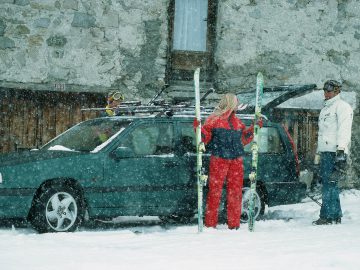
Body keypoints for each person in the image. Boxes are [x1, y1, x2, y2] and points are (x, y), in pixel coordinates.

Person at [193, 93, 261, 230]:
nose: (238, 104)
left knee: (235, 193)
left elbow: (243, 140)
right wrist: (198, 129)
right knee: (215, 193)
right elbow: (205, 139)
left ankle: (234, 225)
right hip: (219, 159)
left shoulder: (238, 123)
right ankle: (210, 224)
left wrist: (254, 129)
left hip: (236, 160)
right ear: (230, 103)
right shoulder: (213, 120)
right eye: (236, 102)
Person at [313, 80, 353, 225]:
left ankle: (328, 216)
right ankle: (334, 214)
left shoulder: (342, 107)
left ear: (337, 91)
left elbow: (344, 130)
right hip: (325, 152)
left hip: (335, 152)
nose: (326, 93)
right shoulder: (325, 109)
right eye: (325, 90)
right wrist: (318, 154)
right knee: (328, 183)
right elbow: (322, 134)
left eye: (329, 91)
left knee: (330, 183)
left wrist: (341, 151)